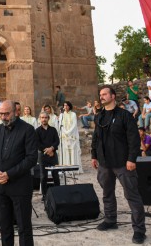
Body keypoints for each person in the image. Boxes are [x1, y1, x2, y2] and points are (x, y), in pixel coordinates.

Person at [91, 86, 146, 244]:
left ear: (113, 96)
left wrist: (131, 159)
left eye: (105, 94)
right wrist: (94, 155)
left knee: (132, 195)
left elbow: (133, 139)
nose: (101, 97)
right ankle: (110, 220)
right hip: (104, 163)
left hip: (122, 163)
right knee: (107, 193)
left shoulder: (125, 115)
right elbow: (96, 137)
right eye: (100, 94)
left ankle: (139, 230)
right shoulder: (99, 116)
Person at [0, 100, 38, 246]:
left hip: (20, 186)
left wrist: (9, 174)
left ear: (15, 112)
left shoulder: (28, 130)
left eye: (6, 114)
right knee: (5, 226)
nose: (3, 117)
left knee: (24, 226)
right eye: (1, 114)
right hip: (0, 187)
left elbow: (31, 158)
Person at [35, 111, 60, 200]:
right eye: (42, 117)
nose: (44, 119)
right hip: (42, 156)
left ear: (48, 118)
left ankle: (58, 192)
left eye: (45, 117)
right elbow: (37, 144)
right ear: (40, 119)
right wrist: (47, 150)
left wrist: (52, 149)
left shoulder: (53, 129)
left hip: (53, 155)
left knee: (55, 175)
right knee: (43, 176)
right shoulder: (37, 131)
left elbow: (57, 141)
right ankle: (45, 195)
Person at [58, 102, 82, 171]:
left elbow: (74, 124)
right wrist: (65, 132)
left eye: (67, 105)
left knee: (73, 150)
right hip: (64, 136)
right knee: (65, 151)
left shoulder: (73, 114)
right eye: (64, 105)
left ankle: (74, 167)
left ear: (69, 106)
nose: (65, 106)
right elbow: (60, 124)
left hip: (72, 135)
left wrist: (68, 132)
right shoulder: (61, 115)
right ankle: (65, 167)